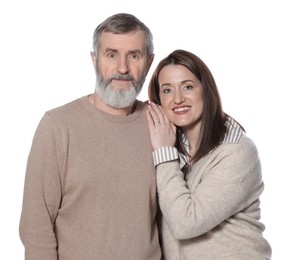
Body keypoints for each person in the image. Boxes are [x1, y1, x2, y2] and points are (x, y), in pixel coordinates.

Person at [19, 13, 162, 260]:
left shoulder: (159, 123)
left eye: (134, 55)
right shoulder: (58, 126)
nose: (122, 68)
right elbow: (36, 225)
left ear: (149, 62)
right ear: (95, 60)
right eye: (111, 54)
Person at [146, 49, 272, 259]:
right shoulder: (172, 149)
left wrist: (164, 152)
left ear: (206, 90)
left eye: (188, 87)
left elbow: (185, 223)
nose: (178, 98)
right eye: (167, 90)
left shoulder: (237, 151)